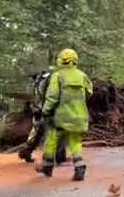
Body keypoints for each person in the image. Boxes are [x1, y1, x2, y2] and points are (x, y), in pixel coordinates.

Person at [37, 48, 92, 181]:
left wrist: (45, 111)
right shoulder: (82, 75)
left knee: (51, 138)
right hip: (79, 116)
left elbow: (52, 96)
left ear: (61, 60)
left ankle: (47, 168)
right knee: (75, 141)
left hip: (60, 117)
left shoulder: (58, 76)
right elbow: (89, 92)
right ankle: (79, 166)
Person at [18, 67, 67, 165]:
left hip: (39, 109)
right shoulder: (48, 81)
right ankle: (59, 156)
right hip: (45, 109)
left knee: (37, 131)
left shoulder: (39, 81)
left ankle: (26, 151)